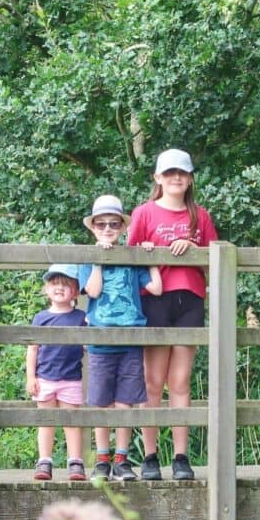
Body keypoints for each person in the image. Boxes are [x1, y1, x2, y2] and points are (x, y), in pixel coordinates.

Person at [127, 148, 219, 480]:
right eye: (169, 173)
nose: (176, 178)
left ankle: (181, 457)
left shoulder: (200, 215)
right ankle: (150, 457)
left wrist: (195, 250)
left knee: (179, 382)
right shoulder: (144, 213)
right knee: (153, 382)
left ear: (191, 177)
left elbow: (216, 258)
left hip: (190, 299)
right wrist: (146, 252)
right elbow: (128, 257)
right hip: (154, 299)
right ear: (158, 178)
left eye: (182, 172)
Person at [78, 195, 162, 481]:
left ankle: (122, 460)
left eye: (114, 223)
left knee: (126, 402)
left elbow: (157, 288)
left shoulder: (132, 256)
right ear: (93, 228)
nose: (107, 229)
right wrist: (100, 261)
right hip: (101, 342)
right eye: (101, 224)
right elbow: (92, 292)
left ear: (122, 227)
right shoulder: (89, 259)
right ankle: (102, 460)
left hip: (130, 341)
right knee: (101, 402)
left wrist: (150, 258)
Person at [26, 264, 87, 481]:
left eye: (65, 284)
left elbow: (89, 345)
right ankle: (44, 461)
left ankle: (76, 462)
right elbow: (32, 349)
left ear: (76, 291)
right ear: (46, 289)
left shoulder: (81, 318)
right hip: (45, 378)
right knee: (46, 421)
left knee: (71, 421)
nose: (59, 288)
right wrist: (31, 377)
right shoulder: (40, 317)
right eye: (54, 284)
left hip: (71, 378)